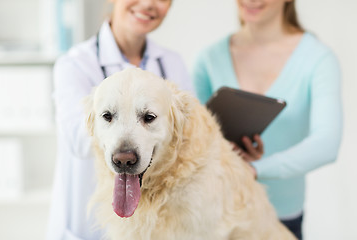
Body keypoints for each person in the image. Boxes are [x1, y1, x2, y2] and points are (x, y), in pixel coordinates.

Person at [192, 0, 343, 239]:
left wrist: (255, 169)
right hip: (216, 216)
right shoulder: (209, 58)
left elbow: (327, 143)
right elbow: (193, 141)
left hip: (280, 219)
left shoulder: (317, 58)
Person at [46, 0, 193, 239]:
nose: (147, 4)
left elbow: (188, 133)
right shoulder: (74, 64)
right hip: (89, 227)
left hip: (159, 224)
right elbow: (79, 140)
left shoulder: (171, 62)